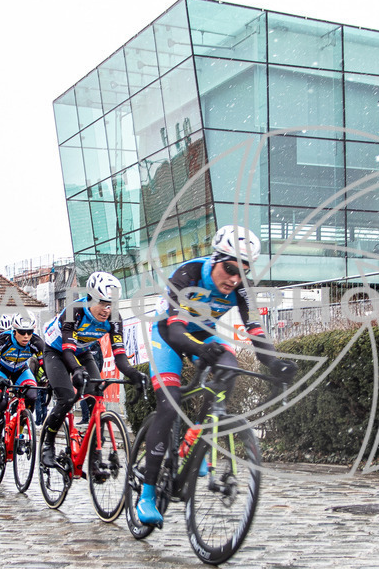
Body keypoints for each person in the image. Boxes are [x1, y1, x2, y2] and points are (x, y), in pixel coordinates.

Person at [134, 225, 297, 525]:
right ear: (215, 259)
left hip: (201, 334)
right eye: (230, 268)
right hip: (166, 335)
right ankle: (146, 495)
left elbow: (255, 331)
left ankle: (197, 436)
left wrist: (274, 363)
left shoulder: (240, 289)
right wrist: (200, 349)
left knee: (230, 365)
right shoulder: (190, 276)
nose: (234, 279)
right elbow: (175, 330)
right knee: (168, 406)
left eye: (243, 272)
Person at [39, 271, 146, 469]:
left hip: (82, 352)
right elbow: (67, 351)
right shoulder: (74, 311)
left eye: (111, 304)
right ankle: (48, 445)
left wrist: (132, 373)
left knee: (97, 395)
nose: (107, 309)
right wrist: (76, 370)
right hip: (56, 351)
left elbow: (119, 355)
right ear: (91, 298)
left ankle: (95, 457)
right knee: (67, 397)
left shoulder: (114, 318)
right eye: (103, 303)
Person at [0, 315, 45, 468]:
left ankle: (20, 430)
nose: (26, 336)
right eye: (22, 332)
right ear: (14, 331)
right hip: (1, 371)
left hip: (21, 370)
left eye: (29, 332)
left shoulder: (36, 342)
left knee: (32, 395)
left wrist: (50, 379)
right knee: (2, 401)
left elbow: (47, 363)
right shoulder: (1, 341)